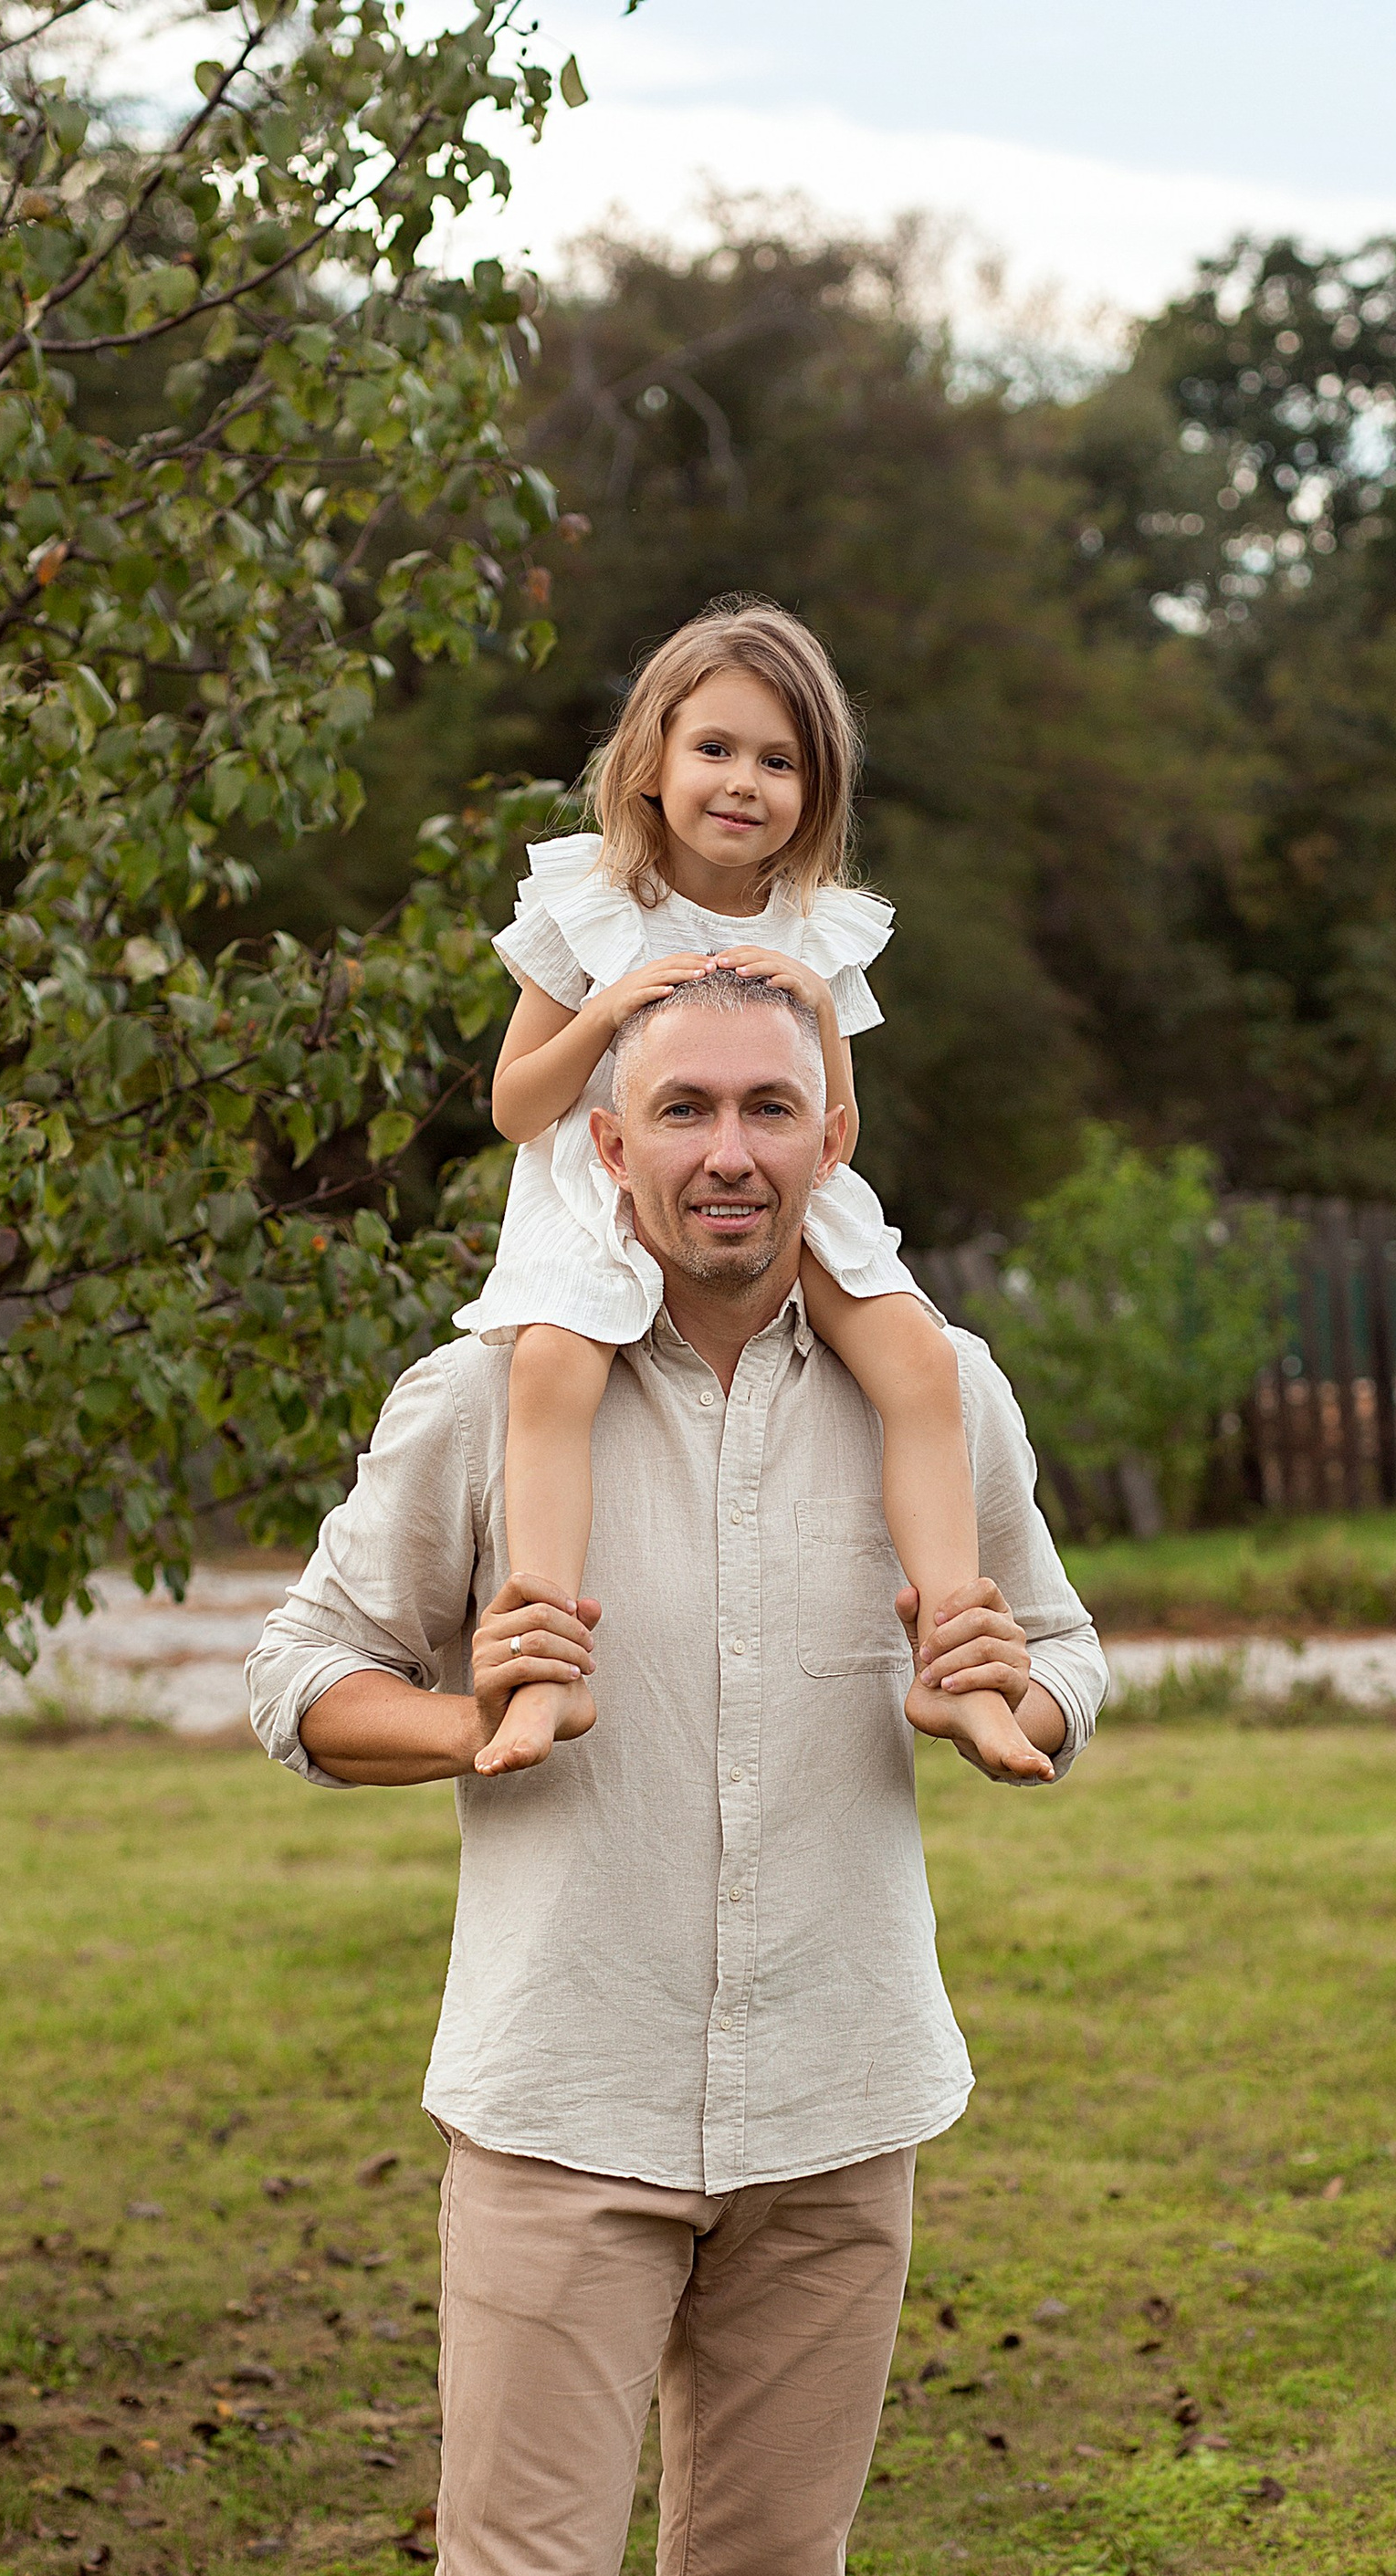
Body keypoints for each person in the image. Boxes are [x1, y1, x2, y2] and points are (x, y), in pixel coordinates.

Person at [246, 967, 1107, 2576]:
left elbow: (1049, 1640)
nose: (729, 1147)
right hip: (564, 2107)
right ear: (605, 1153)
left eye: (772, 1102)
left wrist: (1021, 1701)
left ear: (833, 1129)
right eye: (684, 1111)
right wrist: (462, 1712)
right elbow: (298, 1669)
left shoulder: (939, 1402)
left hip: (845, 2101)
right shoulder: (486, 1404)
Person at [466, 596, 1051, 1788]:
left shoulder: (816, 929)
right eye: (716, 749)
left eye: (780, 761)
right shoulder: (592, 902)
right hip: (606, 1186)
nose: (745, 782)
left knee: (922, 1363)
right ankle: (542, 1671)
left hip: (775, 1198)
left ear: (815, 789)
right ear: (654, 762)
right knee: (550, 1370)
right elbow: (517, 1106)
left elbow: (835, 1138)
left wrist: (822, 1009)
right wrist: (610, 1013)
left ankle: (964, 1668)